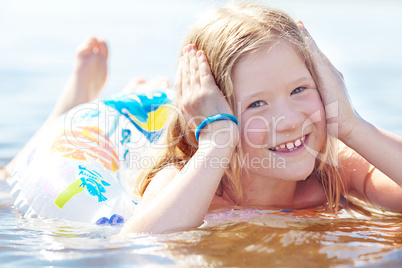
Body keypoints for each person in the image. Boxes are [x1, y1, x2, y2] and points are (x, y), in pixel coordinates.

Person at [3, 1, 402, 233]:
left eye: (300, 89)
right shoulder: (182, 177)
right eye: (256, 105)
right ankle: (77, 100)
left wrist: (351, 124)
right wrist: (217, 141)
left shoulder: (334, 169)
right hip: (115, 133)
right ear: (221, 112)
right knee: (11, 177)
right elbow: (141, 242)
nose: (288, 120)